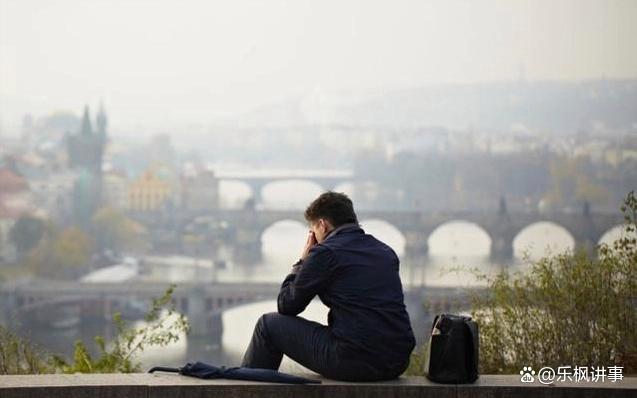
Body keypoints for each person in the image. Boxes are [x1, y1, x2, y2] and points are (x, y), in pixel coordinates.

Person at [240, 191, 416, 381]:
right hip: (397, 361)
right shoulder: (385, 252)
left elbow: (287, 305)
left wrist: (302, 260)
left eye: (313, 229)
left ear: (322, 225)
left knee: (268, 325)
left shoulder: (326, 253)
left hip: (354, 360)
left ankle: (245, 390)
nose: (314, 235)